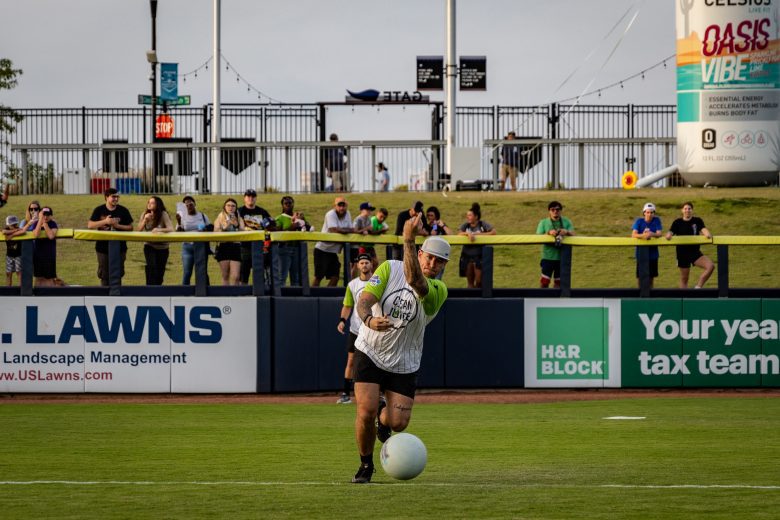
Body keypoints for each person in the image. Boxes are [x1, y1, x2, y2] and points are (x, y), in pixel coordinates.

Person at [350, 213, 450, 484]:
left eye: (439, 261)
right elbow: (364, 300)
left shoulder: (438, 289)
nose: (433, 264)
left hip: (405, 361)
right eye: (429, 257)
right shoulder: (388, 269)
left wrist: (407, 238)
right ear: (420, 253)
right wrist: (368, 318)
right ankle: (366, 465)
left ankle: (385, 418)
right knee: (366, 410)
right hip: (370, 350)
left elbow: (415, 282)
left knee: (398, 424)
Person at [336, 250, 375, 405]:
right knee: (351, 361)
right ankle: (346, 393)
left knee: (376, 361)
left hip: (373, 329)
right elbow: (347, 305)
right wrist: (342, 321)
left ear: (371, 264)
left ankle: (380, 393)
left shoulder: (377, 282)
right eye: (362, 263)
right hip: (356, 329)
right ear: (358, 266)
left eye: (367, 262)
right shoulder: (353, 285)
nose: (364, 265)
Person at [87, 188, 134, 286]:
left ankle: (117, 297)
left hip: (120, 248)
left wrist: (118, 226)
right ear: (106, 197)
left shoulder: (123, 210)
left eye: (117, 197)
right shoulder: (99, 210)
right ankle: (104, 298)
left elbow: (130, 227)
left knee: (117, 274)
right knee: (104, 275)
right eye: (113, 196)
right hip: (102, 248)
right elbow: (90, 225)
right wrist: (105, 222)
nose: (116, 199)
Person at [665, 201, 715, 289]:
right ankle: (683, 299)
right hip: (682, 253)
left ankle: (698, 287)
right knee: (684, 279)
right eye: (685, 209)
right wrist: (668, 235)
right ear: (682, 210)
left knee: (710, 266)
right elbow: (670, 233)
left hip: (695, 253)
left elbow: (704, 230)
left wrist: (707, 234)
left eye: (689, 209)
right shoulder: (677, 222)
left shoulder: (697, 220)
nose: (687, 210)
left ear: (692, 210)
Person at [312, 196, 353, 287]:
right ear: (335, 206)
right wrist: (349, 230)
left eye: (344, 205)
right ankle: (311, 297)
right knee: (319, 276)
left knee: (335, 277)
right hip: (322, 250)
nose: (342, 208)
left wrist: (347, 230)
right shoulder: (330, 214)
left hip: (333, 252)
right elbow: (333, 229)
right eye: (339, 205)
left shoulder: (348, 214)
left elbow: (350, 228)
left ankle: (325, 296)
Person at [238, 189, 274, 286]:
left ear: (256, 198)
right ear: (244, 198)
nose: (251, 198)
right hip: (244, 246)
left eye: (253, 196)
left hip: (259, 246)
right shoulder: (240, 211)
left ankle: (259, 293)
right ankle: (243, 294)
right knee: (243, 273)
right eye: (248, 196)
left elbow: (271, 226)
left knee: (259, 272)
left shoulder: (262, 211)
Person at [536, 201, 575, 288]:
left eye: (557, 209)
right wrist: (549, 232)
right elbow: (538, 237)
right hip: (548, 257)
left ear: (561, 211)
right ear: (549, 211)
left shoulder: (567, 221)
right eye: (552, 209)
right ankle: (542, 298)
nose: (555, 211)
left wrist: (566, 232)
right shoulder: (543, 222)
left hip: (562, 258)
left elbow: (574, 235)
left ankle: (556, 300)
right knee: (544, 282)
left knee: (559, 283)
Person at [136, 196, 174, 286]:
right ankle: (150, 289)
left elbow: (171, 229)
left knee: (160, 271)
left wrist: (159, 230)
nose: (149, 204)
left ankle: (158, 289)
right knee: (151, 267)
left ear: (158, 205)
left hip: (163, 247)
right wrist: (145, 220)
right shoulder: (145, 214)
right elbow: (138, 230)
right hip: (149, 245)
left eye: (152, 203)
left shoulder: (163, 214)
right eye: (148, 202)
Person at [457, 202, 496, 289]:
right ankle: (470, 300)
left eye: (470, 215)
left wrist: (478, 235)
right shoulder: (466, 225)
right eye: (467, 215)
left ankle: (480, 300)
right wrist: (468, 234)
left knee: (479, 281)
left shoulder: (482, 224)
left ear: (476, 216)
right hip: (467, 256)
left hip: (479, 256)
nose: (468, 217)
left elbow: (493, 232)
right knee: (470, 283)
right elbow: (459, 233)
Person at [175, 195, 211, 285]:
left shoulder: (202, 216)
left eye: (190, 202)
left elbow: (211, 228)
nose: (188, 204)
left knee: (202, 271)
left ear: (195, 204)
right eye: (186, 204)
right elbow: (179, 232)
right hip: (187, 247)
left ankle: (205, 292)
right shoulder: (182, 217)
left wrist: (205, 229)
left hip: (201, 246)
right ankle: (184, 293)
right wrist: (179, 222)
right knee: (187, 272)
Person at [273, 195, 307, 288]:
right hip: (284, 248)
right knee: (282, 276)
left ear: (293, 204)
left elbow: (306, 228)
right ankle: (280, 298)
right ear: (282, 205)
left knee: (296, 277)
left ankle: (294, 298)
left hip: (297, 248)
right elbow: (277, 231)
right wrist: (292, 227)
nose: (288, 205)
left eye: (290, 203)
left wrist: (303, 221)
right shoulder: (280, 218)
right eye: (286, 203)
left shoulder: (298, 216)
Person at [213, 198, 246, 286]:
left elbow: (244, 232)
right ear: (224, 207)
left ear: (236, 208)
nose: (230, 207)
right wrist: (226, 225)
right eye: (228, 205)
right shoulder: (220, 217)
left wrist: (236, 225)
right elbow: (215, 231)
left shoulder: (239, 218)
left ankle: (235, 295)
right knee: (225, 275)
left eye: (233, 206)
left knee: (235, 276)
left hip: (236, 246)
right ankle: (225, 295)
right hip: (223, 246)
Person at [632, 202, 663, 289]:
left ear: (654, 213)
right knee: (640, 277)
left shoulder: (656, 220)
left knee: (651, 277)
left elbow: (659, 233)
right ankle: (639, 295)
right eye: (647, 212)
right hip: (641, 254)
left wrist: (651, 234)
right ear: (644, 213)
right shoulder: (639, 221)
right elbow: (634, 234)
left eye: (651, 212)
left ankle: (650, 296)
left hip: (653, 254)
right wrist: (643, 235)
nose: (649, 214)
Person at [26, 206, 59, 286]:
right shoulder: (37, 223)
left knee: (49, 278)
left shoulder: (53, 223)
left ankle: (51, 295)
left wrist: (44, 223)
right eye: (44, 215)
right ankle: (37, 295)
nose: (46, 217)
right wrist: (40, 221)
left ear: (51, 216)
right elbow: (36, 234)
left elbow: (51, 236)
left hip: (49, 255)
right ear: (40, 215)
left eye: (48, 215)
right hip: (38, 255)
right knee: (38, 277)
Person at [3, 215, 22, 286]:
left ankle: (21, 289)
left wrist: (12, 235)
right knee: (8, 273)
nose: (14, 226)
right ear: (8, 225)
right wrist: (14, 231)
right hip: (9, 255)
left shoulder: (18, 229)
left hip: (18, 255)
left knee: (19, 272)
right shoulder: (6, 229)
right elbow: (4, 232)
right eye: (12, 225)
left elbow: (23, 232)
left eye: (15, 224)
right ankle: (8, 289)